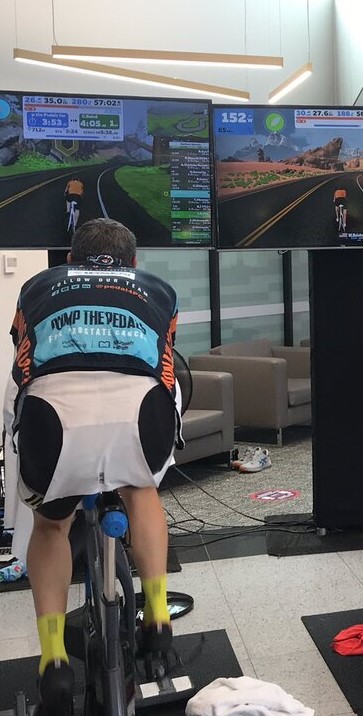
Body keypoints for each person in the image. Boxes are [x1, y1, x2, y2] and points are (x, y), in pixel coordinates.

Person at [9, 218, 182, 714]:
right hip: (137, 417)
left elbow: (23, 363)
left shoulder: (37, 286)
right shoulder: (158, 289)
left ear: (70, 260)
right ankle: (157, 614)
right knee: (141, 490)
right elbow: (166, 364)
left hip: (56, 421)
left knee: (50, 526)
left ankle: (54, 659)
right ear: (133, 263)